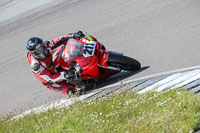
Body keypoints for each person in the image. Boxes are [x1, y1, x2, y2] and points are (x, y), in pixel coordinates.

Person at [26, 31, 85, 95]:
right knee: (73, 92)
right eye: (38, 50)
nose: (42, 50)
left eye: (41, 47)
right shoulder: (36, 65)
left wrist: (73, 35)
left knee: (66, 49)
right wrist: (66, 74)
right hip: (51, 80)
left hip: (52, 63)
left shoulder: (46, 45)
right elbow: (50, 78)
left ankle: (82, 61)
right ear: (34, 53)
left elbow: (60, 40)